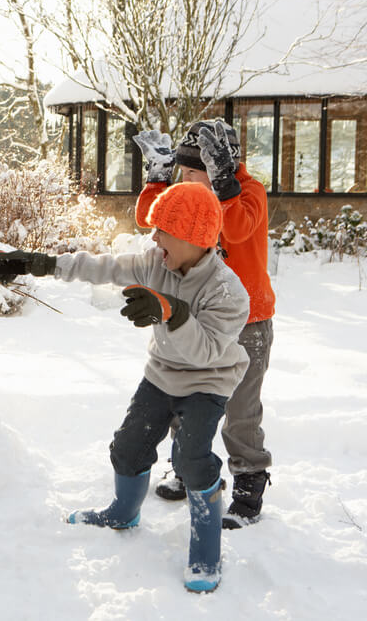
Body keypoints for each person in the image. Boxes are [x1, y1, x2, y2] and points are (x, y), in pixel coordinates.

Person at [0, 181, 250, 592]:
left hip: (208, 382)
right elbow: (101, 266)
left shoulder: (228, 291)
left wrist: (170, 310)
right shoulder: (154, 263)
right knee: (129, 446)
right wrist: (39, 263)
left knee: (193, 457)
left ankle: (206, 550)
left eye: (163, 229)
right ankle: (123, 512)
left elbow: (208, 352)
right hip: (161, 374)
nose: (154, 237)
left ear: (194, 237)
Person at [134, 120, 275, 529]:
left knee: (241, 409)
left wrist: (225, 185)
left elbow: (237, 227)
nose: (190, 182)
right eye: (183, 173)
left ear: (222, 166)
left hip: (248, 322)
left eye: (197, 173)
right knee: (184, 394)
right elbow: (151, 219)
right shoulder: (190, 197)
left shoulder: (248, 193)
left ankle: (249, 480)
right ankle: (185, 466)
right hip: (194, 319)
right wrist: (158, 180)